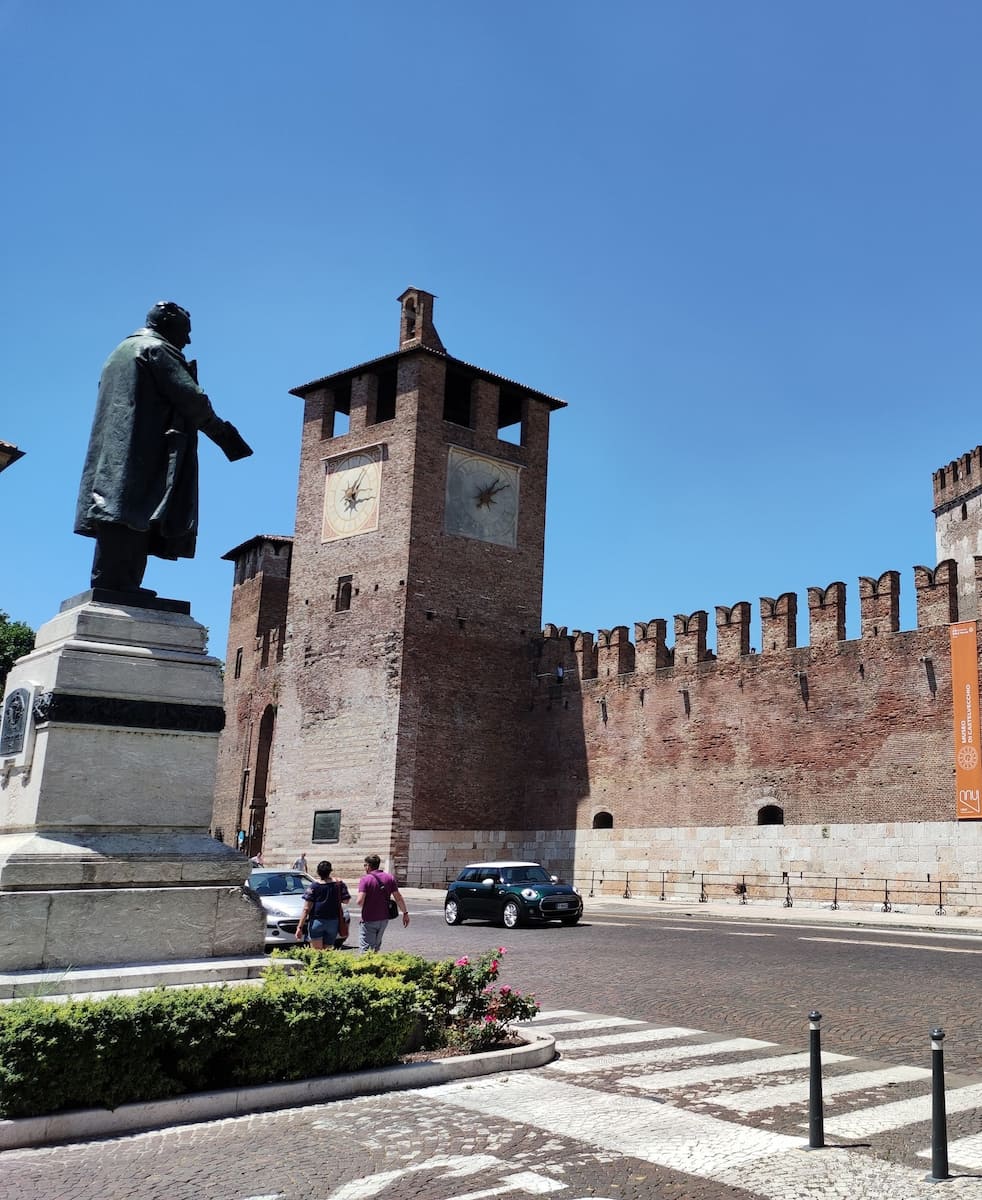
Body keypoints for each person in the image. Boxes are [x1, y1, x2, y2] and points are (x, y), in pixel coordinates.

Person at [74, 301, 252, 594]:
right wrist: (226, 438)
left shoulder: (117, 354)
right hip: (144, 449)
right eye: (186, 331)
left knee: (119, 510)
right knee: (133, 511)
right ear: (167, 323)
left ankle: (115, 583)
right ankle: (119, 585)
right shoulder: (157, 349)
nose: (189, 340)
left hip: (115, 449)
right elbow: (192, 401)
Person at [357, 854, 409, 952]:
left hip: (369, 918)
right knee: (376, 947)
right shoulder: (389, 878)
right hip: (383, 919)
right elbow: (398, 898)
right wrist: (405, 913)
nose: (365, 867)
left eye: (365, 865)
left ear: (368, 866)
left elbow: (360, 901)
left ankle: (367, 967)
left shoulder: (365, 879)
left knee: (366, 950)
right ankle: (376, 965)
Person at [296, 860, 350, 950]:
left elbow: (306, 909)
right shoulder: (338, 884)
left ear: (318, 872)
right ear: (330, 871)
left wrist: (300, 927)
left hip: (317, 921)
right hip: (333, 921)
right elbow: (346, 901)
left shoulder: (314, 887)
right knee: (328, 952)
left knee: (317, 953)